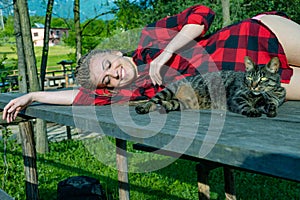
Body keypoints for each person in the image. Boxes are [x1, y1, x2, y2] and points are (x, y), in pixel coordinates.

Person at [3, 4, 300, 123]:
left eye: (108, 65)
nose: (114, 74)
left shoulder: (150, 39)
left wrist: (166, 52)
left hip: (252, 36)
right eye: (106, 80)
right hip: (247, 82)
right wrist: (33, 95)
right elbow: (80, 97)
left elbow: (201, 15)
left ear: (115, 53)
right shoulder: (136, 91)